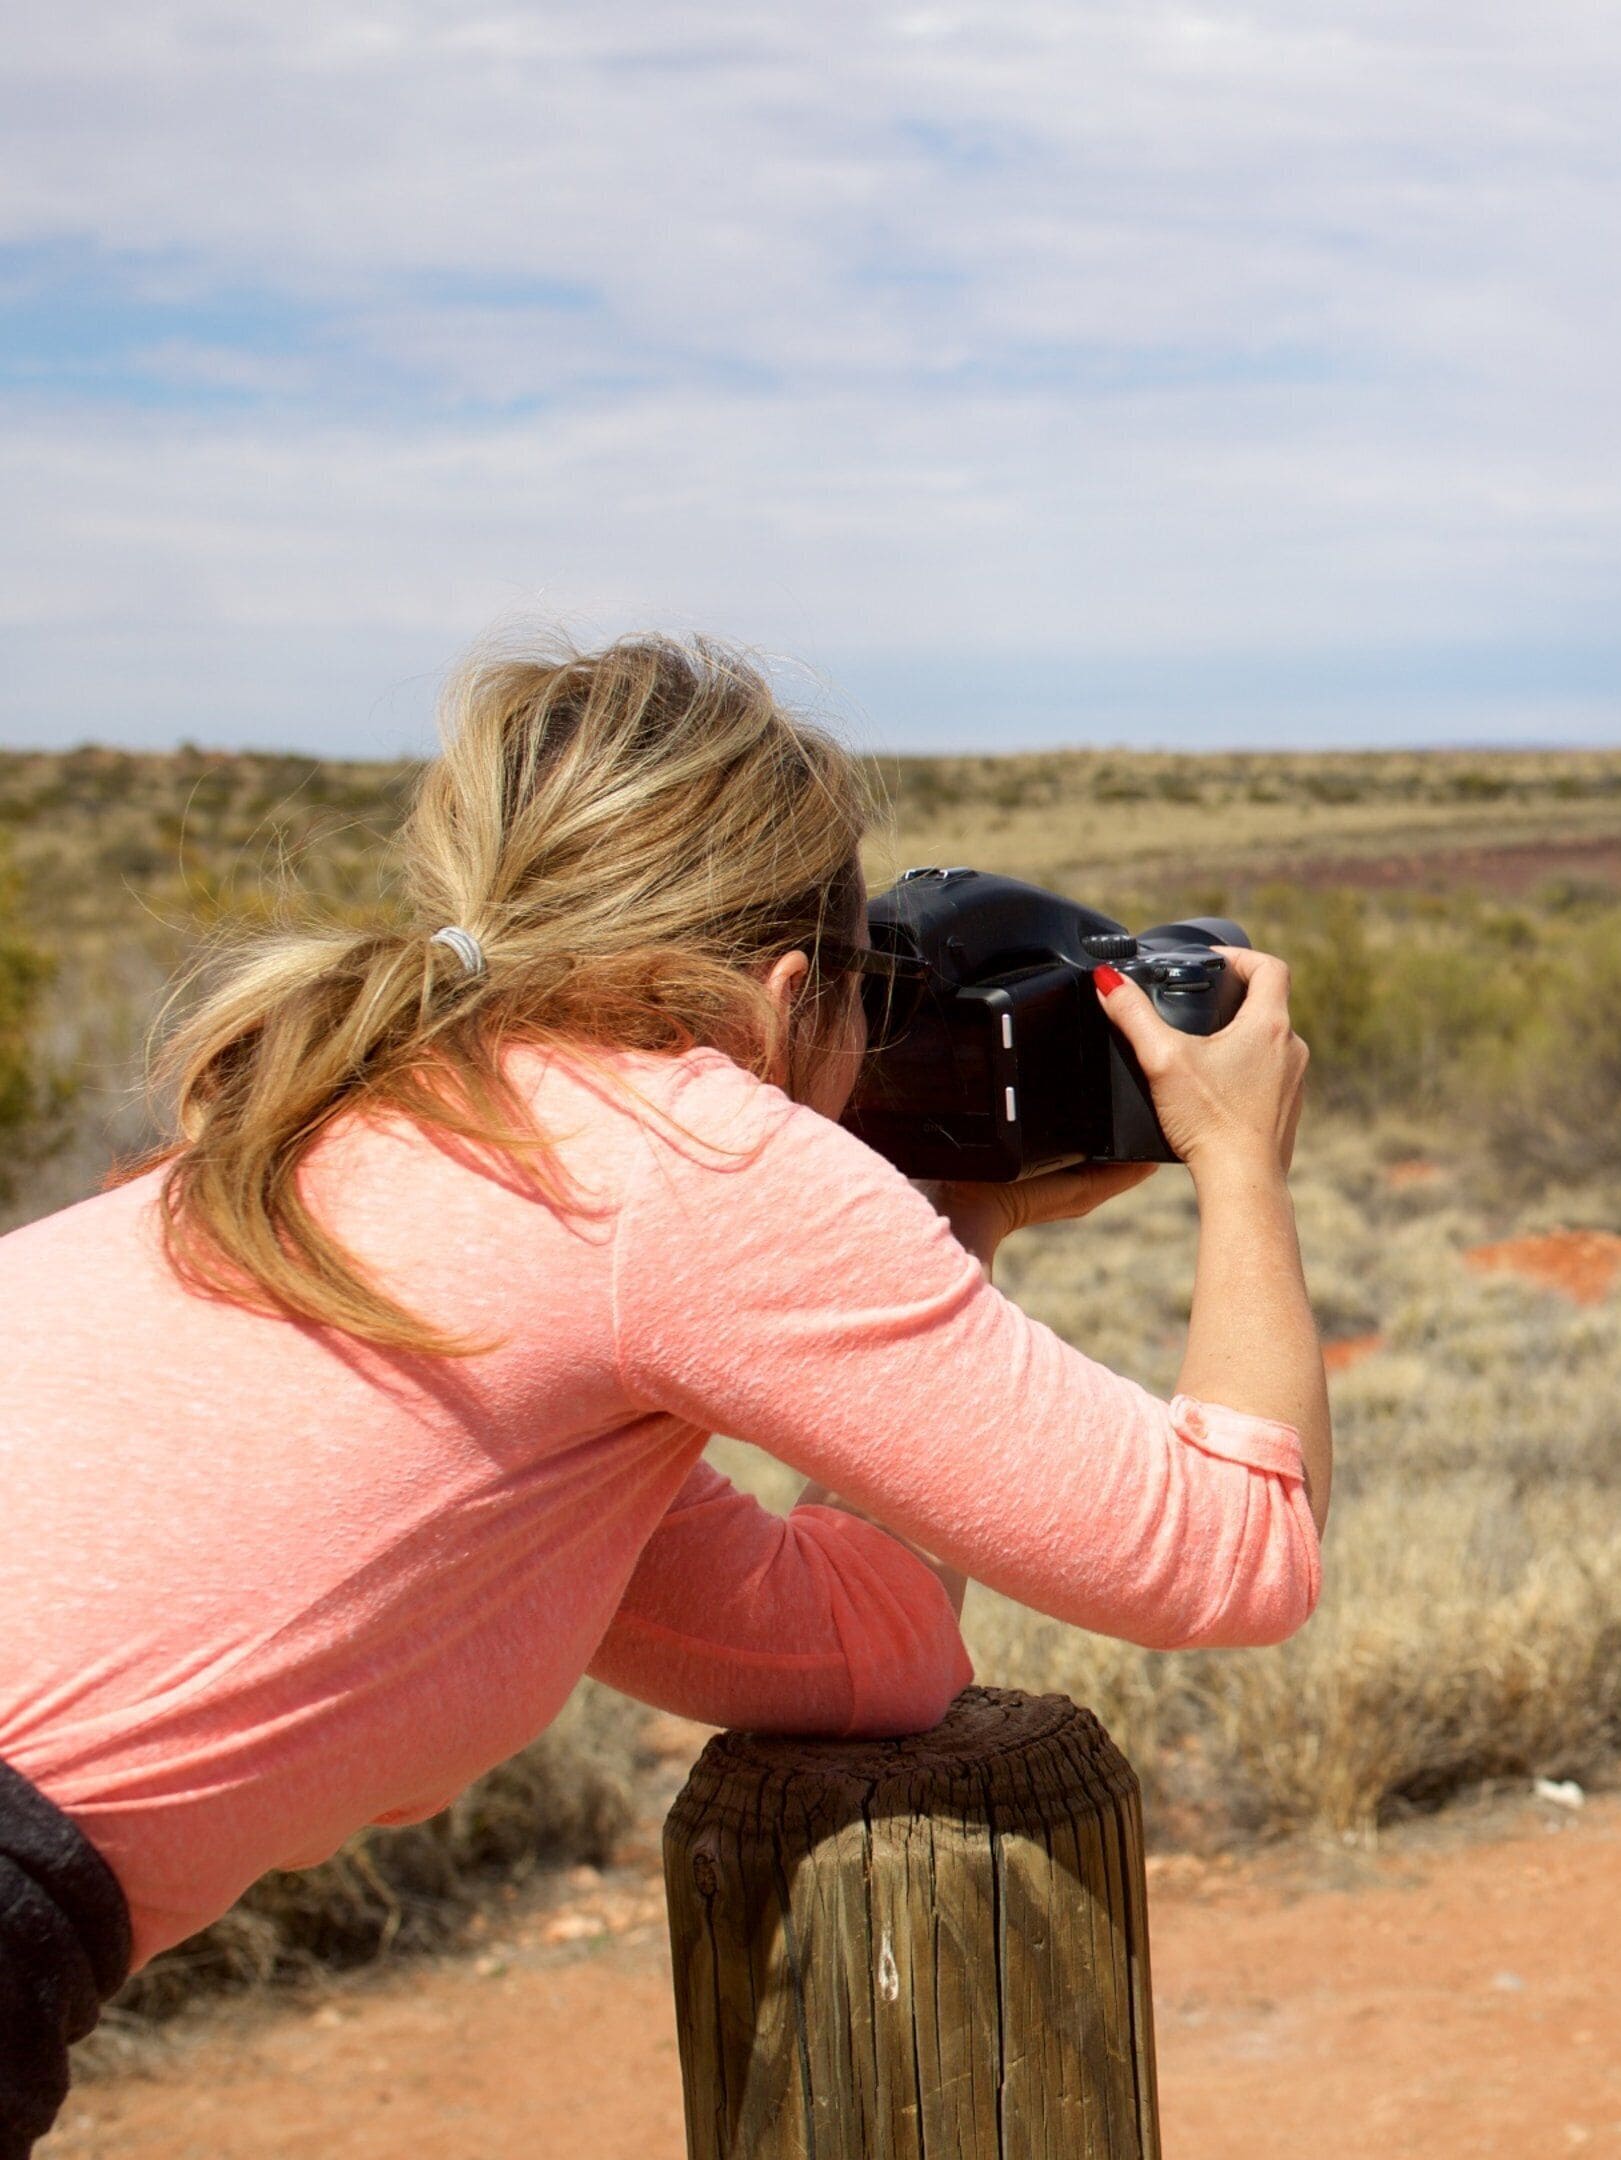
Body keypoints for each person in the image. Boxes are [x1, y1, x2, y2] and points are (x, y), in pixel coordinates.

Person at [0, 635, 1330, 2156]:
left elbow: (857, 1645)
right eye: (869, 988)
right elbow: (1239, 1550)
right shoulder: (684, 1147)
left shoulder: (367, 1129)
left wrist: (959, 1216)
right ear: (780, 1000)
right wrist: (1239, 1159)